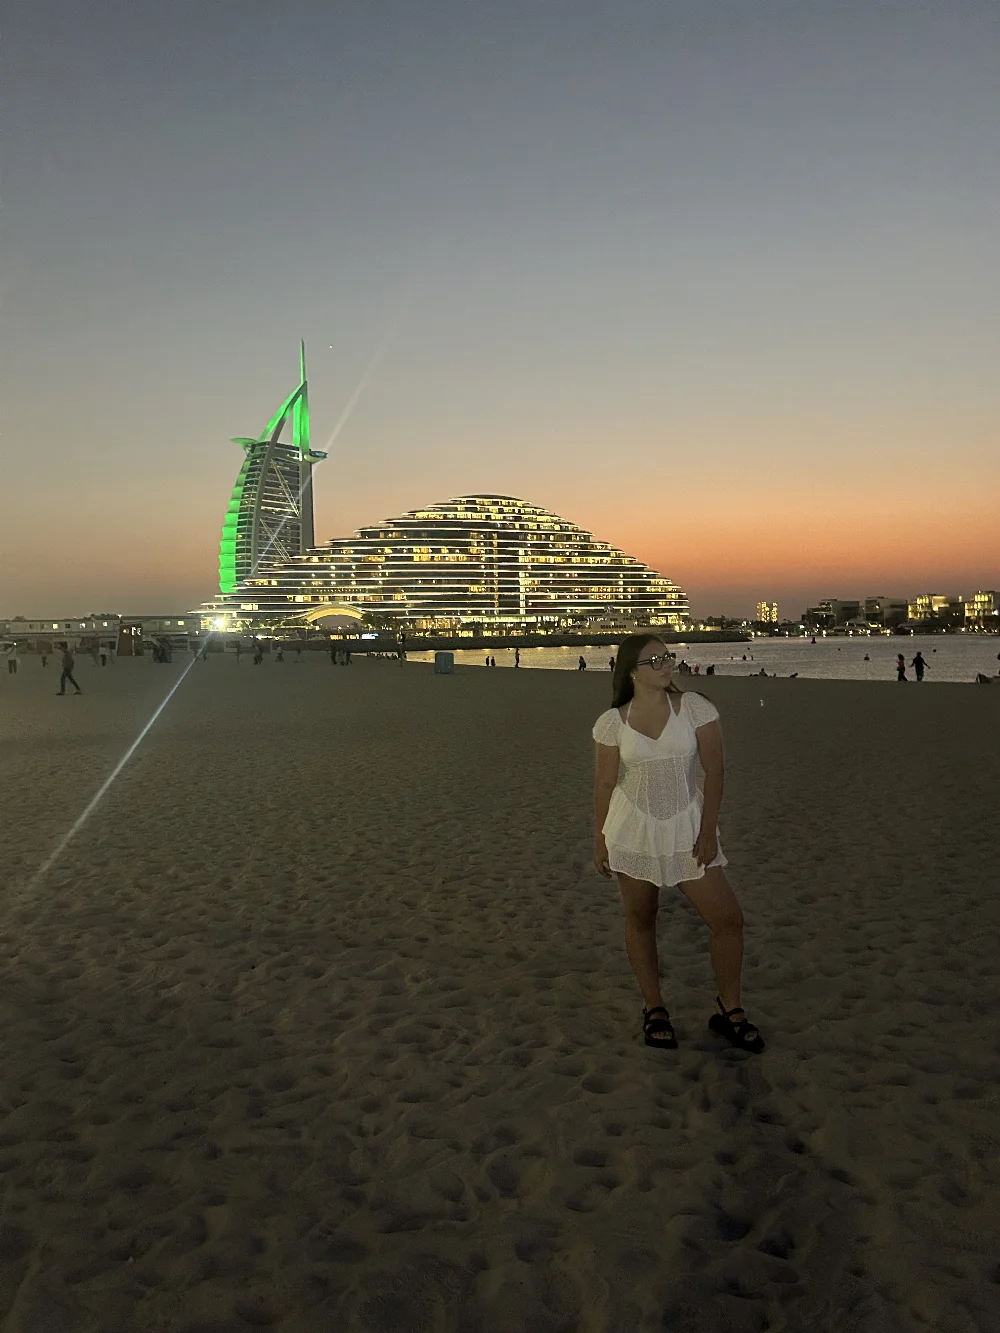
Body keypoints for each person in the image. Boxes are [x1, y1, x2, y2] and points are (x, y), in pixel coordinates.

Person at [592, 635, 763, 1053]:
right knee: (641, 917)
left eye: (667, 656)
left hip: (687, 827)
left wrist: (708, 830)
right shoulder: (613, 722)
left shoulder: (694, 707)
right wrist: (601, 841)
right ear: (632, 672)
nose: (666, 664)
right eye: (654, 660)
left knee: (728, 919)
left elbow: (715, 771)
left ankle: (730, 1009)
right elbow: (605, 784)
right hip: (632, 829)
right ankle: (654, 1008)